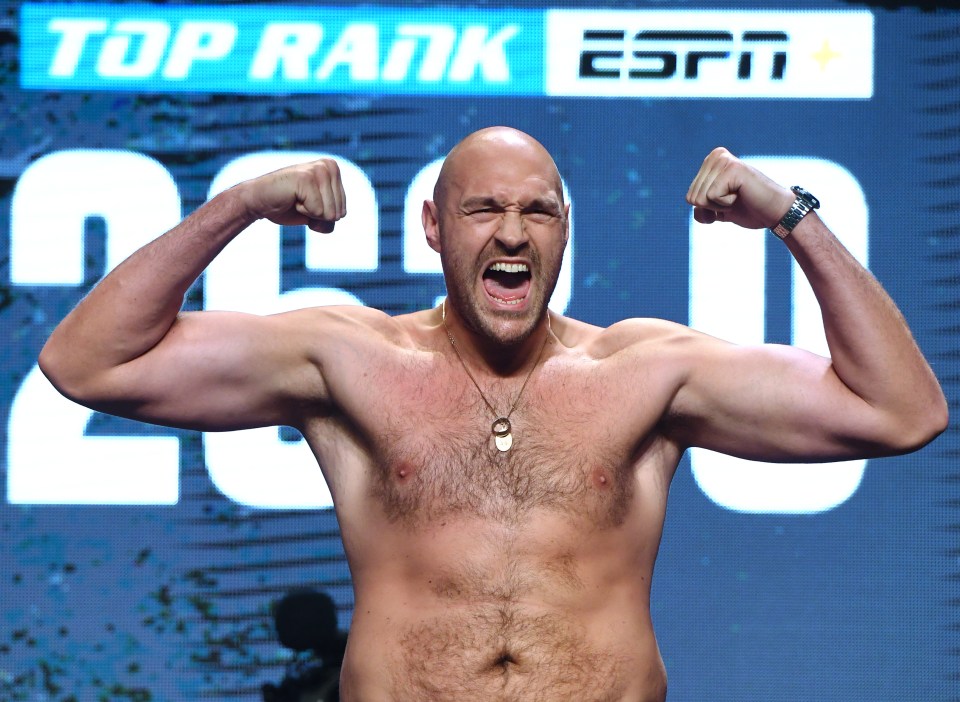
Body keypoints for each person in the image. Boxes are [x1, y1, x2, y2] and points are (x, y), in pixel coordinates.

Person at [39, 126, 947, 701]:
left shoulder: (645, 371)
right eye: (483, 210)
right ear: (435, 228)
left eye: (538, 212)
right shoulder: (346, 360)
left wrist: (792, 215)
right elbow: (85, 363)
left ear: (562, 232)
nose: (512, 233)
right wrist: (235, 207)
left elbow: (900, 412)